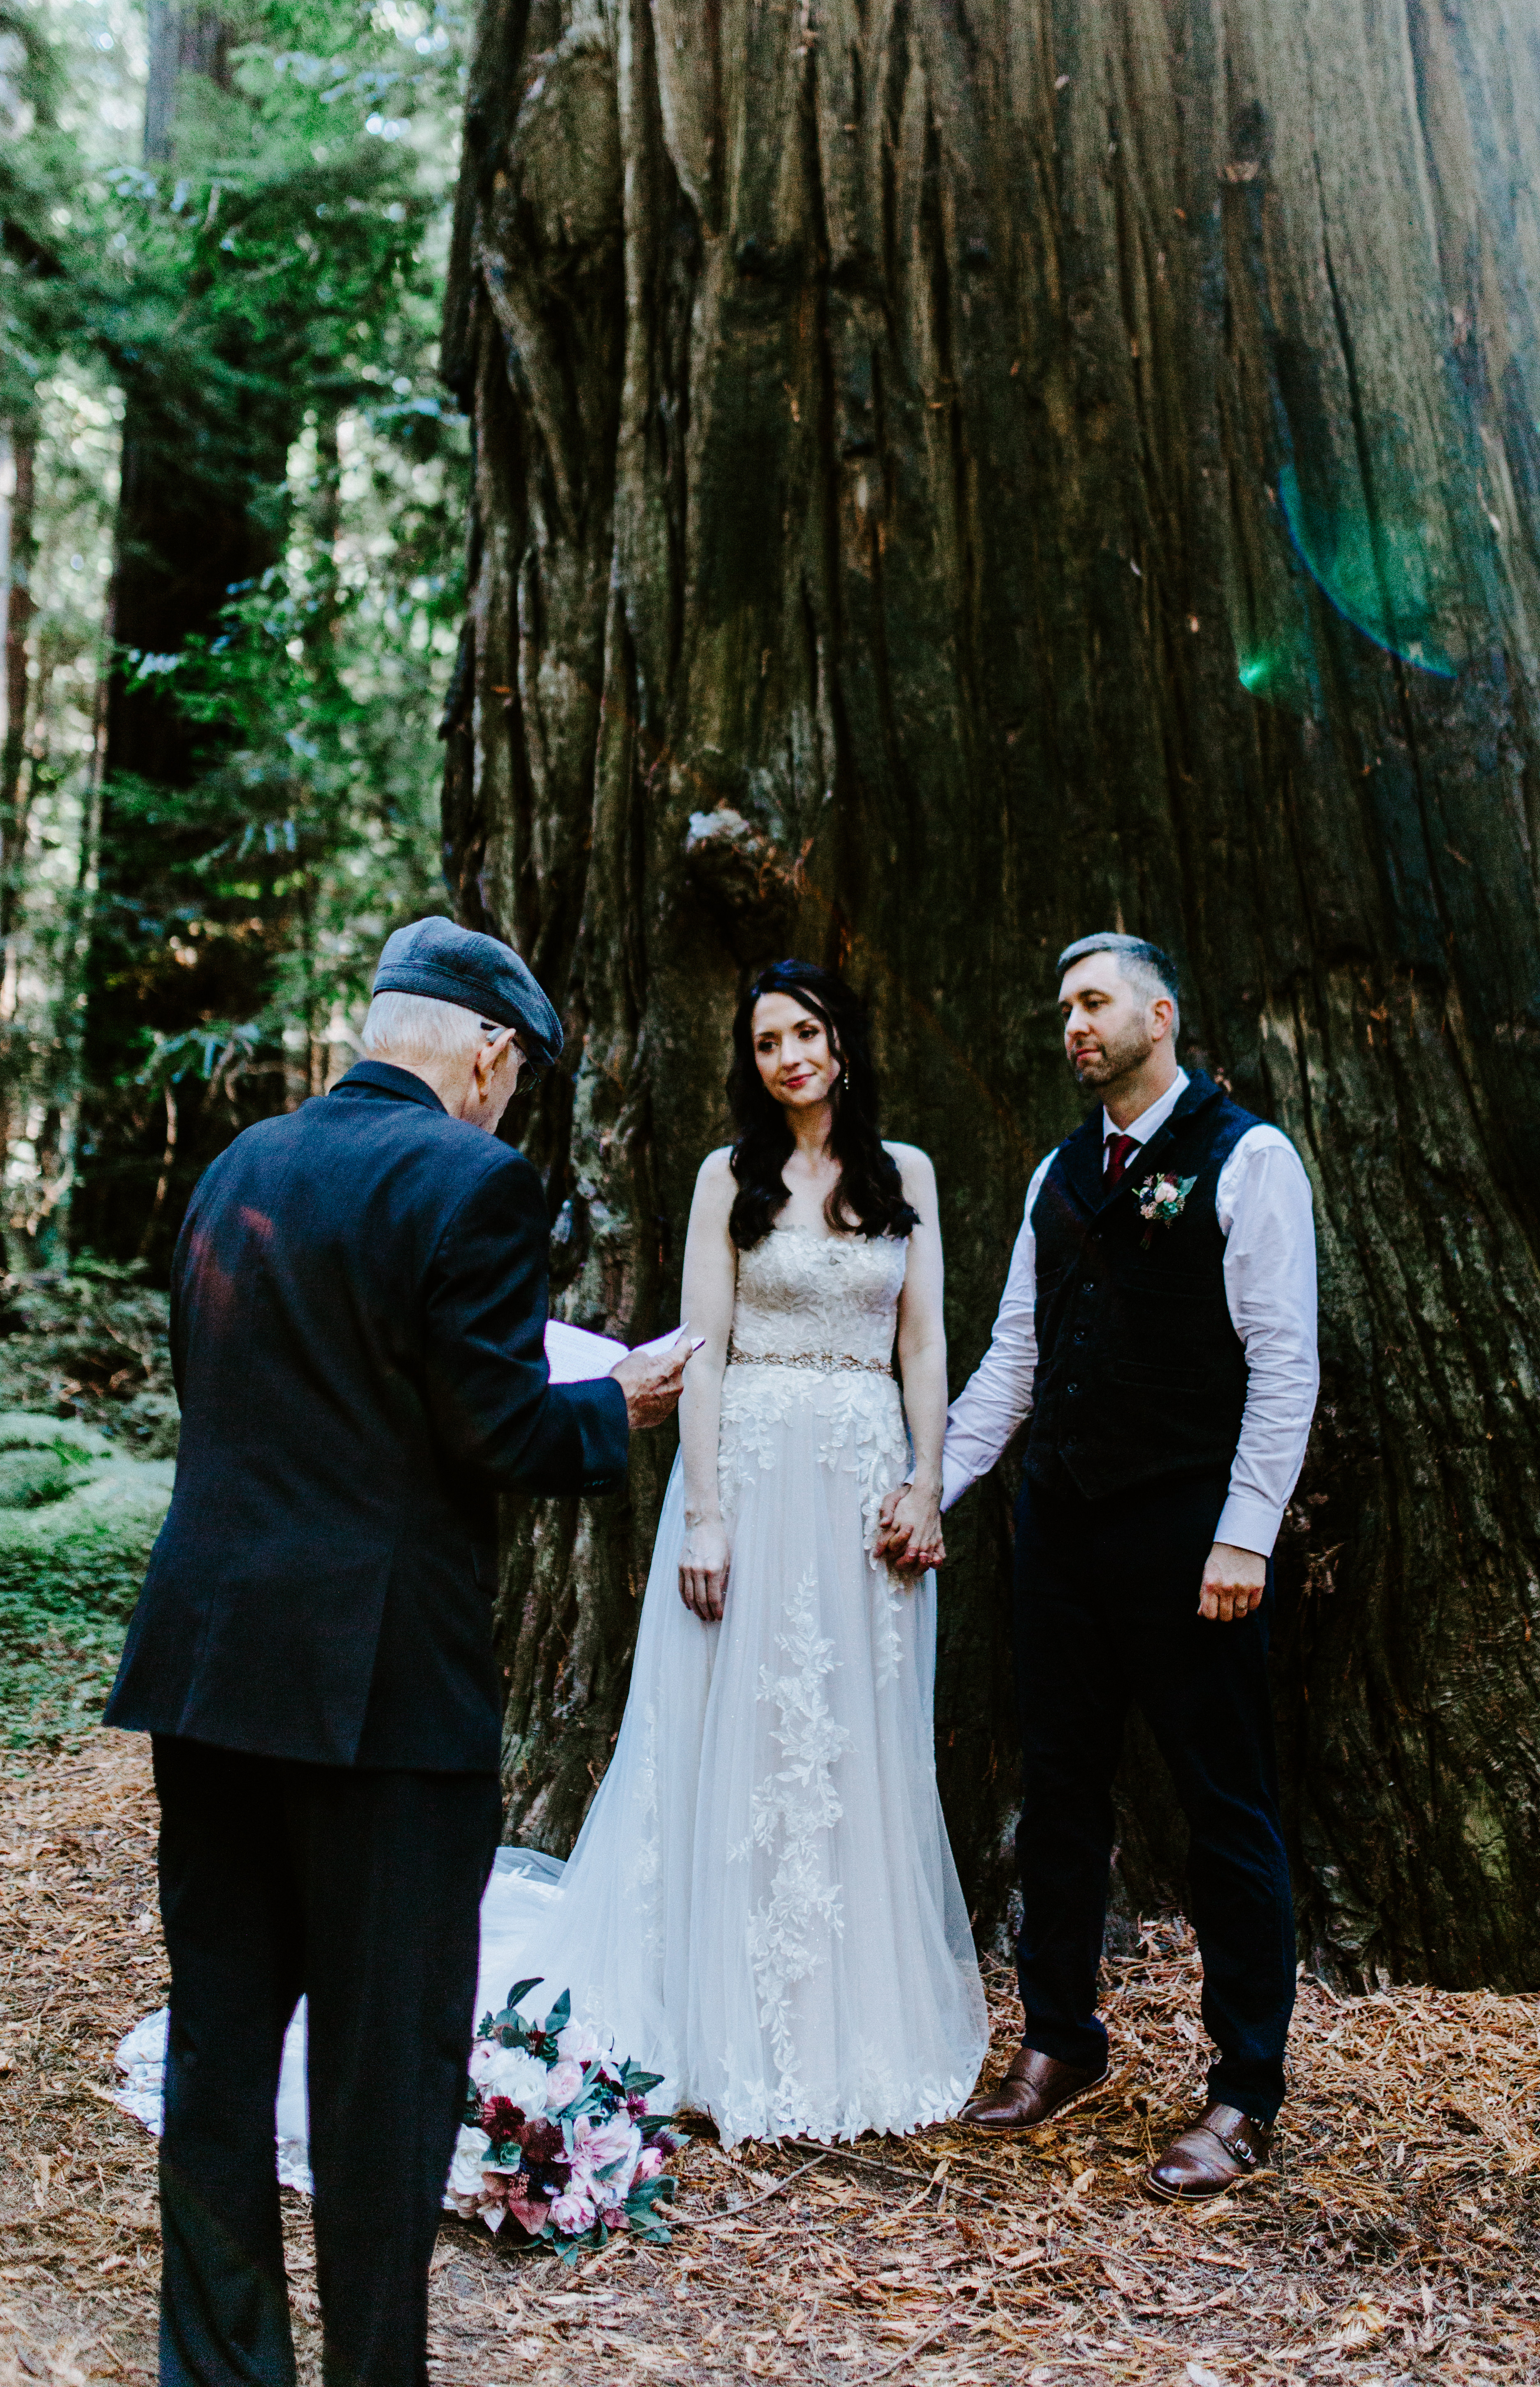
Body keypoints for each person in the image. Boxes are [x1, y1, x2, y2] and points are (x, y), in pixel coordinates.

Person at [104, 918, 693, 2387]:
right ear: (487, 1052)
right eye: (518, 1076)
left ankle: (222, 2369)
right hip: (381, 1698)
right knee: (387, 2072)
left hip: (211, 1666)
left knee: (225, 2048)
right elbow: (494, 1426)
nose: (511, 1106)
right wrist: (615, 1404)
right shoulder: (472, 1180)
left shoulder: (241, 1165)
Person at [473, 959, 988, 2144]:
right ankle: (713, 2019)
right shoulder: (728, 1177)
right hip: (751, 1471)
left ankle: (843, 2022)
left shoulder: (905, 1174)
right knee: (735, 1733)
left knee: (850, 1738)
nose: (791, 1057)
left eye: (806, 1033)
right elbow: (699, 1347)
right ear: (751, 1065)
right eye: (768, 1043)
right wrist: (703, 1510)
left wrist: (926, 1479)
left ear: (842, 1042)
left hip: (862, 1481)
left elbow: (924, 1346)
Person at [941, 934, 1317, 2197]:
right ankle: (1060, 2042)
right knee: (1060, 1791)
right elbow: (1016, 1359)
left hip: (1187, 1537)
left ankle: (1245, 2091)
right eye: (1064, 1009)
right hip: (1061, 1530)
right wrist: (931, 1485)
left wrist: (1245, 1535)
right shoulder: (1060, 1173)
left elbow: (1285, 1362)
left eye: (1095, 1002)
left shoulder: (1249, 1158)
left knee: (1226, 1810)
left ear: (1162, 1011)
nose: (1076, 1026)